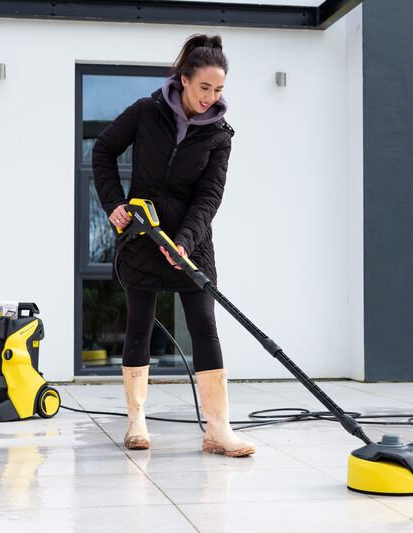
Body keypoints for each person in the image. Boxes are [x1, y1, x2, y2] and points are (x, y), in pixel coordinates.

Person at [92, 34, 255, 458]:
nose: (211, 97)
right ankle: (136, 421)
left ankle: (218, 430)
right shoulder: (147, 113)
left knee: (205, 327)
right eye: (204, 88)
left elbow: (209, 196)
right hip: (143, 236)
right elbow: (104, 151)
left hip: (192, 243)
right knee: (139, 326)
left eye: (219, 90)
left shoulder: (219, 135)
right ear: (184, 80)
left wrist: (184, 241)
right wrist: (113, 204)